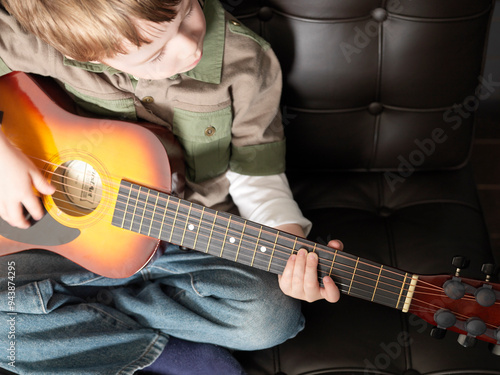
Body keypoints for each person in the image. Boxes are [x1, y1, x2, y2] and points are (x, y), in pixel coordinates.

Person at [0, 0, 342, 373]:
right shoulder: (45, 41)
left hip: (191, 238)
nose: (189, 47)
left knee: (272, 318)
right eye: (155, 53)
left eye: (186, 13)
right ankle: (172, 358)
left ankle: (77, 317)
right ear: (84, 54)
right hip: (64, 246)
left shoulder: (246, 61)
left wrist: (289, 250)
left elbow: (257, 175)